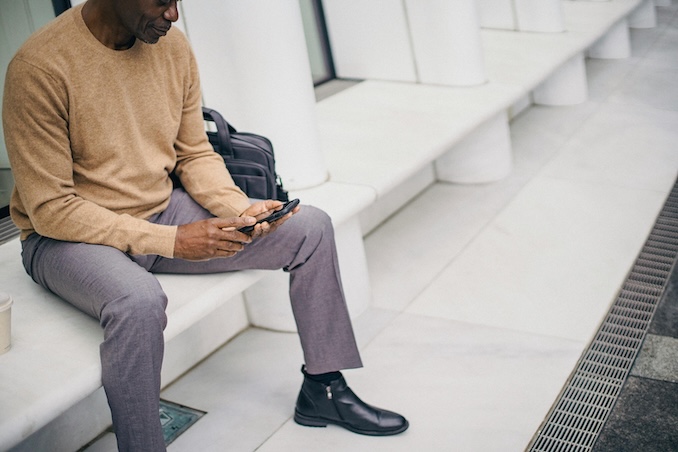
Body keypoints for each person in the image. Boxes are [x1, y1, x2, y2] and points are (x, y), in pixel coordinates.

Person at [1, 0, 409, 450]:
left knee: (310, 227)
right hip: (66, 239)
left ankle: (323, 389)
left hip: (160, 212)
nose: (173, 14)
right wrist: (172, 241)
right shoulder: (39, 68)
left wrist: (238, 208)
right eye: (162, 1)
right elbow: (51, 207)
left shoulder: (172, 48)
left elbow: (193, 152)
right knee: (138, 302)